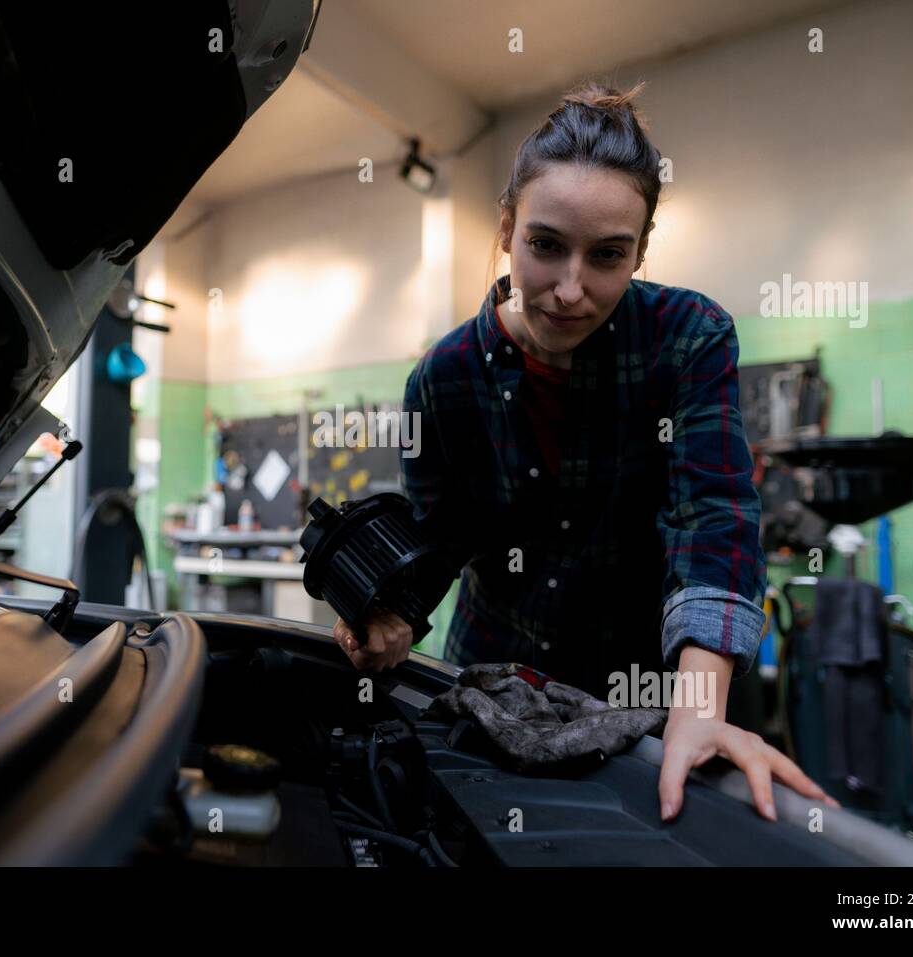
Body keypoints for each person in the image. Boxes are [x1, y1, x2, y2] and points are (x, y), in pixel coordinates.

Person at [332, 80, 836, 823]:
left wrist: (697, 710)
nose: (571, 290)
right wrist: (391, 615)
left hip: (640, 692)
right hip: (495, 686)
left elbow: (712, 516)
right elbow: (442, 538)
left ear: (640, 251)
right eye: (545, 245)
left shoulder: (688, 337)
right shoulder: (443, 378)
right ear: (506, 227)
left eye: (606, 255)